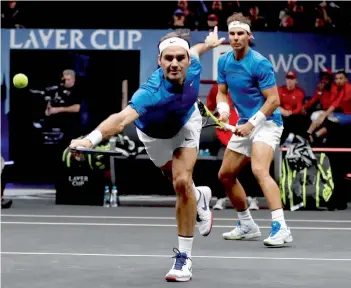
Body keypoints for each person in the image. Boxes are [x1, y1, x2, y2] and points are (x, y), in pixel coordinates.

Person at [70, 29, 225, 282]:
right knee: (177, 182)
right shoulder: (150, 91)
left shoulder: (194, 65)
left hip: (186, 124)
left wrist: (207, 44)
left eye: (179, 58)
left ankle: (183, 259)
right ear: (159, 61)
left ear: (187, 60)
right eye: (168, 58)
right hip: (153, 137)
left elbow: (196, 51)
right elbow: (120, 120)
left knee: (182, 181)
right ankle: (200, 196)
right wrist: (90, 139)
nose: (174, 63)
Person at [215, 14, 293, 246]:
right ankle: (247, 224)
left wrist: (251, 124)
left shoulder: (259, 63)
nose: (236, 38)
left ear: (249, 36)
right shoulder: (224, 61)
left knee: (259, 170)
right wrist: (224, 111)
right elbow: (222, 91)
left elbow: (274, 101)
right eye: (232, 34)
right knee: (225, 175)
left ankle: (281, 228)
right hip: (245, 124)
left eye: (241, 33)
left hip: (267, 123)